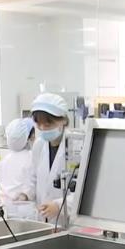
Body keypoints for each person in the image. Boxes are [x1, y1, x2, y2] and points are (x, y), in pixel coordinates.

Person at [27, 93, 75, 224]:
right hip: (43, 221)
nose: (42, 128)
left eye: (48, 124)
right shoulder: (39, 145)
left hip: (68, 222)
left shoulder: (77, 146)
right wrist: (26, 194)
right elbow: (33, 178)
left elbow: (84, 192)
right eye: (39, 124)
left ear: (63, 120)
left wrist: (59, 206)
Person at [0, 118, 35, 206]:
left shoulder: (4, 161)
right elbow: (32, 188)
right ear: (29, 137)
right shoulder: (31, 158)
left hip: (7, 208)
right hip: (26, 209)